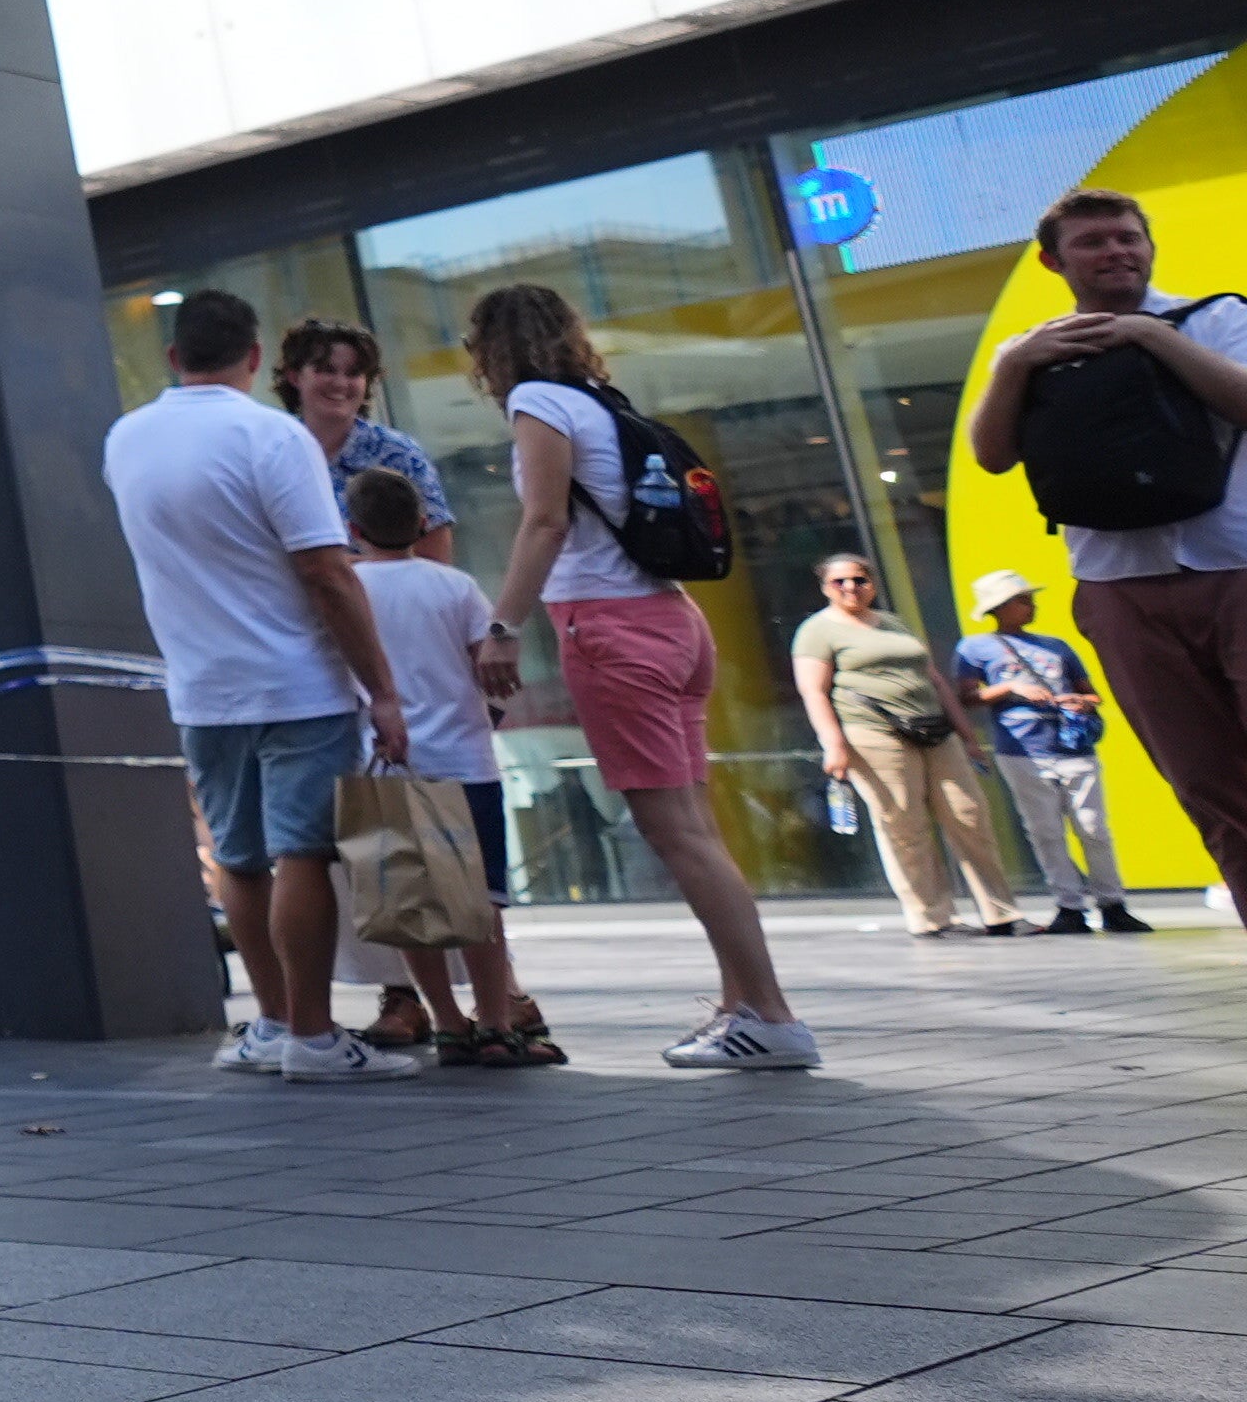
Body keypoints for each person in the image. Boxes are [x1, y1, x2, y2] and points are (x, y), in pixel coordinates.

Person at [472, 282, 820, 1070]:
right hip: (673, 619)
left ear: (491, 349)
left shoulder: (538, 401)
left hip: (609, 629)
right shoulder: (601, 399)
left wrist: (503, 628)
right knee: (699, 829)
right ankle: (741, 1008)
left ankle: (772, 1016)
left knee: (680, 837)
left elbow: (546, 521)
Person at [103, 290, 420, 1084]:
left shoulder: (126, 439)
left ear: (174, 357)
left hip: (201, 685)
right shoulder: (271, 436)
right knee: (302, 855)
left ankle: (273, 1024)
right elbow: (327, 571)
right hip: (296, 683)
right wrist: (381, 689)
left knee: (238, 860)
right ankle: (314, 1037)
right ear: (253, 359)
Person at [968, 188, 1247, 905]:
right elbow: (991, 455)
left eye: (1128, 237)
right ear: (1053, 260)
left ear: (1150, 246)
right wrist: (1017, 365)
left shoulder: (1215, 317)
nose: (1117, 251)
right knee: (1207, 785)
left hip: (1235, 567)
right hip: (1118, 588)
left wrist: (1153, 335)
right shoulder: (1029, 351)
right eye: (1093, 241)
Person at [339, 469, 556, 1064]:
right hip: (465, 761)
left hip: (381, 759)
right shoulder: (456, 587)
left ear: (353, 529)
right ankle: (493, 1023)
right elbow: (489, 668)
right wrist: (484, 714)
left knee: (406, 903)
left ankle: (447, 1022)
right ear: (422, 525)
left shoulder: (347, 589)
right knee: (481, 902)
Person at [791, 553, 1026, 940]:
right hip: (873, 732)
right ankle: (932, 917)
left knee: (969, 813)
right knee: (904, 824)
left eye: (860, 580)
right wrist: (833, 744)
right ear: (825, 588)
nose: (852, 588)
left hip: (933, 728)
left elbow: (933, 678)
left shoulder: (893, 623)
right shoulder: (817, 630)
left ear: (873, 584)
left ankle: (1000, 913)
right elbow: (813, 691)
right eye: (840, 582)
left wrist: (967, 736)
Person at [954, 568, 1141, 933]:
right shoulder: (975, 647)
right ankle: (1069, 906)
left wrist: (1080, 701)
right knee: (1045, 830)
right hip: (1022, 748)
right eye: (1022, 601)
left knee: (1093, 827)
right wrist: (1011, 688)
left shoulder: (1057, 646)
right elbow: (966, 696)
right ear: (1000, 607)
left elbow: (1093, 694)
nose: (1030, 606)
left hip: (1073, 745)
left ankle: (1112, 903)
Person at [278, 318, 455, 549]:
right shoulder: (271, 451)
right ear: (294, 376)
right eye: (327, 370)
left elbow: (435, 559)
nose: (340, 383)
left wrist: (337, 571)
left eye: (353, 373)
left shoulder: (400, 454)